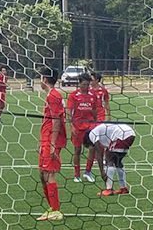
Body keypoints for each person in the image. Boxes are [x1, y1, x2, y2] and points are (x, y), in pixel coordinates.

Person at [37, 70, 67, 221]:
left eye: (40, 78)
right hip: (46, 139)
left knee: (49, 174)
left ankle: (56, 210)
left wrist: (53, 143)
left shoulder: (54, 96)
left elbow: (56, 120)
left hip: (51, 140)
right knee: (43, 174)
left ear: (44, 79)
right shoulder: (51, 95)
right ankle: (52, 207)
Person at [67, 73, 104, 183]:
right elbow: (69, 112)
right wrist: (71, 126)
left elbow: (95, 110)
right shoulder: (73, 95)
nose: (86, 87)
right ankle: (76, 175)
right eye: (84, 84)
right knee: (77, 150)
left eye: (88, 84)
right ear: (79, 84)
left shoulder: (93, 95)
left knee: (93, 148)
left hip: (90, 126)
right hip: (78, 126)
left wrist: (95, 124)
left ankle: (88, 172)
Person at [83, 122, 135, 196]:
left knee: (109, 159)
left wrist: (102, 172)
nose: (91, 148)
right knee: (118, 162)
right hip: (130, 133)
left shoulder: (92, 134)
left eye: (89, 146)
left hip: (121, 135)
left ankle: (109, 189)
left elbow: (99, 154)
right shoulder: (100, 133)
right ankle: (123, 188)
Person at [85, 70, 111, 178]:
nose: (90, 81)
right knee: (93, 142)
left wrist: (109, 116)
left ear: (96, 80)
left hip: (101, 118)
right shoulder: (88, 90)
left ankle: (101, 157)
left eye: (91, 79)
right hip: (91, 118)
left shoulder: (103, 91)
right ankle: (92, 163)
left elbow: (107, 103)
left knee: (102, 139)